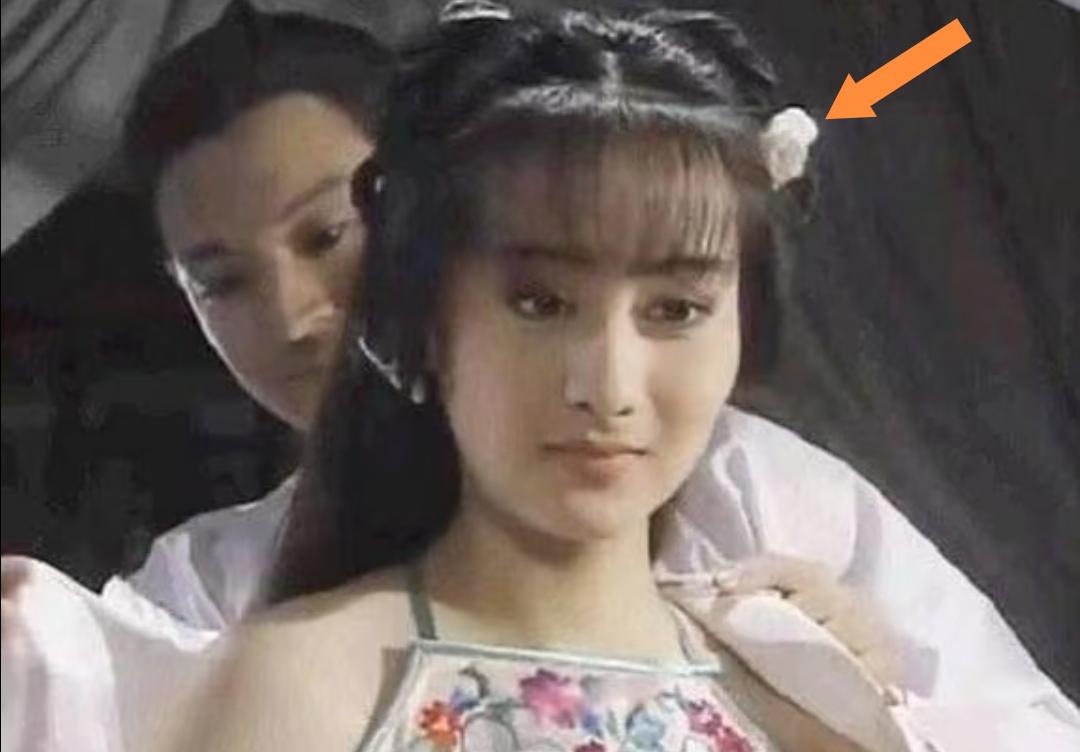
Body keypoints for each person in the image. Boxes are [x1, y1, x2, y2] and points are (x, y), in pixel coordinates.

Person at [162, 4, 1079, 751]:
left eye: (676, 309)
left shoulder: (806, 682)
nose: (608, 386)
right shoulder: (297, 690)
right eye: (539, 303)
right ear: (424, 318)